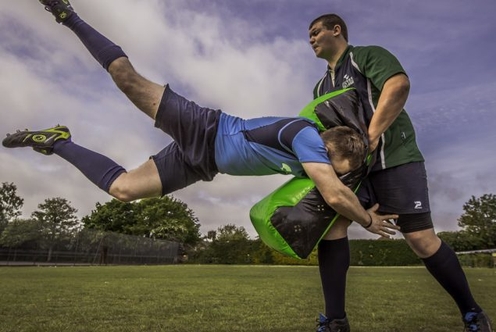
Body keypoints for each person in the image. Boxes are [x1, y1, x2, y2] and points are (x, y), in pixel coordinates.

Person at [2, 1, 401, 242]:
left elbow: (328, 194)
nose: (330, 173)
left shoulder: (314, 158)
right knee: (127, 79)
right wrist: (369, 219)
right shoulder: (308, 139)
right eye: (335, 166)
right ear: (330, 148)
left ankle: (56, 141)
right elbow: (333, 195)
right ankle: (67, 14)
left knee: (123, 189)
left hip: (201, 163)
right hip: (205, 128)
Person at [308, 13, 494, 332]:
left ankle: (473, 313)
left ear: (336, 30)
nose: (310, 39)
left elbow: (398, 85)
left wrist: (371, 135)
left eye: (315, 32)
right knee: (332, 224)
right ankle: (335, 321)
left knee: (420, 239)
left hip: (397, 160)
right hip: (358, 172)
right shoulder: (321, 86)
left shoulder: (367, 56)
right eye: (308, 35)